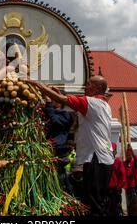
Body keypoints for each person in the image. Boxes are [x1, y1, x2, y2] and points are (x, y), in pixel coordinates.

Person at [27, 75, 114, 216]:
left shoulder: (91, 103)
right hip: (103, 160)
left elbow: (64, 101)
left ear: (98, 88)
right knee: (97, 201)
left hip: (96, 159)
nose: (86, 86)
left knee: (93, 204)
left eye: (90, 84)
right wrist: (60, 95)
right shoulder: (103, 105)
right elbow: (67, 101)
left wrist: (39, 86)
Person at [108, 143, 126, 216]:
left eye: (113, 151)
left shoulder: (118, 161)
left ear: (115, 152)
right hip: (106, 189)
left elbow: (123, 176)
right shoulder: (104, 161)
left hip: (115, 189)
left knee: (116, 208)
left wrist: (119, 187)